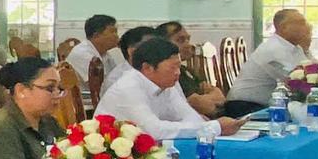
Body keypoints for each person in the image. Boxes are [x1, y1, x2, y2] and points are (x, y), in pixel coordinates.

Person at [97, 36, 244, 139]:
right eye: (172, 68)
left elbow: (190, 117)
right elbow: (154, 131)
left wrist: (209, 127)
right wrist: (215, 127)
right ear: (147, 68)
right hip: (110, 156)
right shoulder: (128, 88)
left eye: (179, 67)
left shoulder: (166, 85)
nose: (178, 73)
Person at [227, 8, 315, 115]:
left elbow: (314, 71)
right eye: (301, 23)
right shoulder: (273, 48)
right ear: (284, 28)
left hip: (268, 104)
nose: (307, 27)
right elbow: (299, 82)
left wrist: (306, 50)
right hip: (245, 106)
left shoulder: (296, 47)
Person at [158, 20, 226, 117]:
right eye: (180, 40)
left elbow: (220, 96)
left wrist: (210, 98)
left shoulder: (186, 70)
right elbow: (203, 105)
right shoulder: (170, 74)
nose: (188, 45)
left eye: (188, 40)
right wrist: (210, 99)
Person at [64, 14, 124, 106]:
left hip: (101, 98)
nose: (117, 36)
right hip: (85, 104)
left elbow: (116, 78)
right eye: (113, 32)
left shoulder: (104, 54)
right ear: (96, 35)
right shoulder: (83, 54)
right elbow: (100, 87)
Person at [99, 26, 164, 99]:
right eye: (152, 47)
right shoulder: (119, 80)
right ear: (132, 51)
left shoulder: (153, 72)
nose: (159, 52)